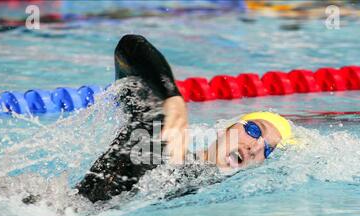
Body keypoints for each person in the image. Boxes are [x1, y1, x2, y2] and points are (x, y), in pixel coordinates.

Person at [76, 34, 292, 203]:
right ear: (228, 127)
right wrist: (171, 98)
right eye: (255, 130)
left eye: (267, 150)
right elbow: (130, 46)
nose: (254, 147)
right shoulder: (163, 142)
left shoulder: (211, 190)